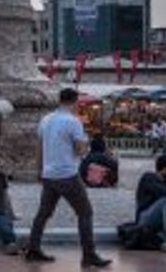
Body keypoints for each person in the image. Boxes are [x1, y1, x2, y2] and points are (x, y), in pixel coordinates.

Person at [25, 88, 111, 268]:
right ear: (75, 102)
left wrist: (39, 171)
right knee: (85, 213)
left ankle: (33, 249)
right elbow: (80, 150)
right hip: (67, 174)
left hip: (49, 174)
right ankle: (89, 255)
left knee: (43, 213)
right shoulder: (73, 122)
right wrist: (85, 141)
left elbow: (40, 148)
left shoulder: (46, 119)